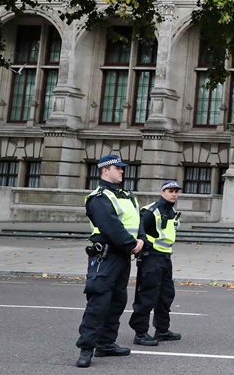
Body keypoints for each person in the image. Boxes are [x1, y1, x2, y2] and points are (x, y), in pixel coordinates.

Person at [75, 155, 143, 369]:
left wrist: (140, 240)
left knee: (117, 301)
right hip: (105, 256)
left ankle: (106, 343)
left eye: (123, 168)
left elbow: (137, 220)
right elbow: (110, 226)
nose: (122, 172)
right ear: (105, 171)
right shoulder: (99, 197)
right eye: (118, 168)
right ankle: (86, 348)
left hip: (122, 256)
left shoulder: (128, 196)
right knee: (99, 302)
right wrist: (132, 244)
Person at [130, 180, 183, 347]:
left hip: (165, 258)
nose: (174, 194)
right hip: (151, 258)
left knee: (166, 295)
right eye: (170, 191)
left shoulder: (171, 210)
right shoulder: (151, 211)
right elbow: (139, 231)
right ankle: (140, 333)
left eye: (176, 191)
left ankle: (162, 330)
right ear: (162, 192)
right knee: (147, 296)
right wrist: (145, 246)